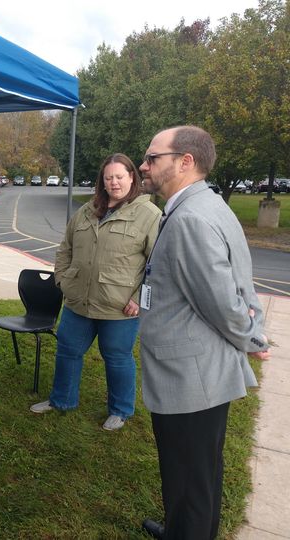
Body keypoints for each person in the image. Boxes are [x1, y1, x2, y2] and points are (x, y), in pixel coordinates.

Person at [137, 126, 270, 539]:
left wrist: (251, 337)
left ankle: (187, 530)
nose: (144, 165)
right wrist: (253, 330)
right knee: (199, 474)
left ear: (185, 162)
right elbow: (240, 285)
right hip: (201, 372)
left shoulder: (190, 218)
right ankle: (183, 529)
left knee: (190, 479)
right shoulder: (206, 205)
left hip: (190, 377)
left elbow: (223, 302)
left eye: (152, 158)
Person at [30, 153, 161, 431]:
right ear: (102, 181)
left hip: (119, 307)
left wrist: (139, 299)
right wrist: (63, 280)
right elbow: (65, 248)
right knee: (67, 350)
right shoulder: (88, 210)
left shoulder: (149, 215)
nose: (114, 183)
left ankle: (120, 410)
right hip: (79, 301)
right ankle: (61, 400)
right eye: (108, 177)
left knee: (117, 357)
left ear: (131, 178)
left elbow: (158, 265)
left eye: (120, 177)